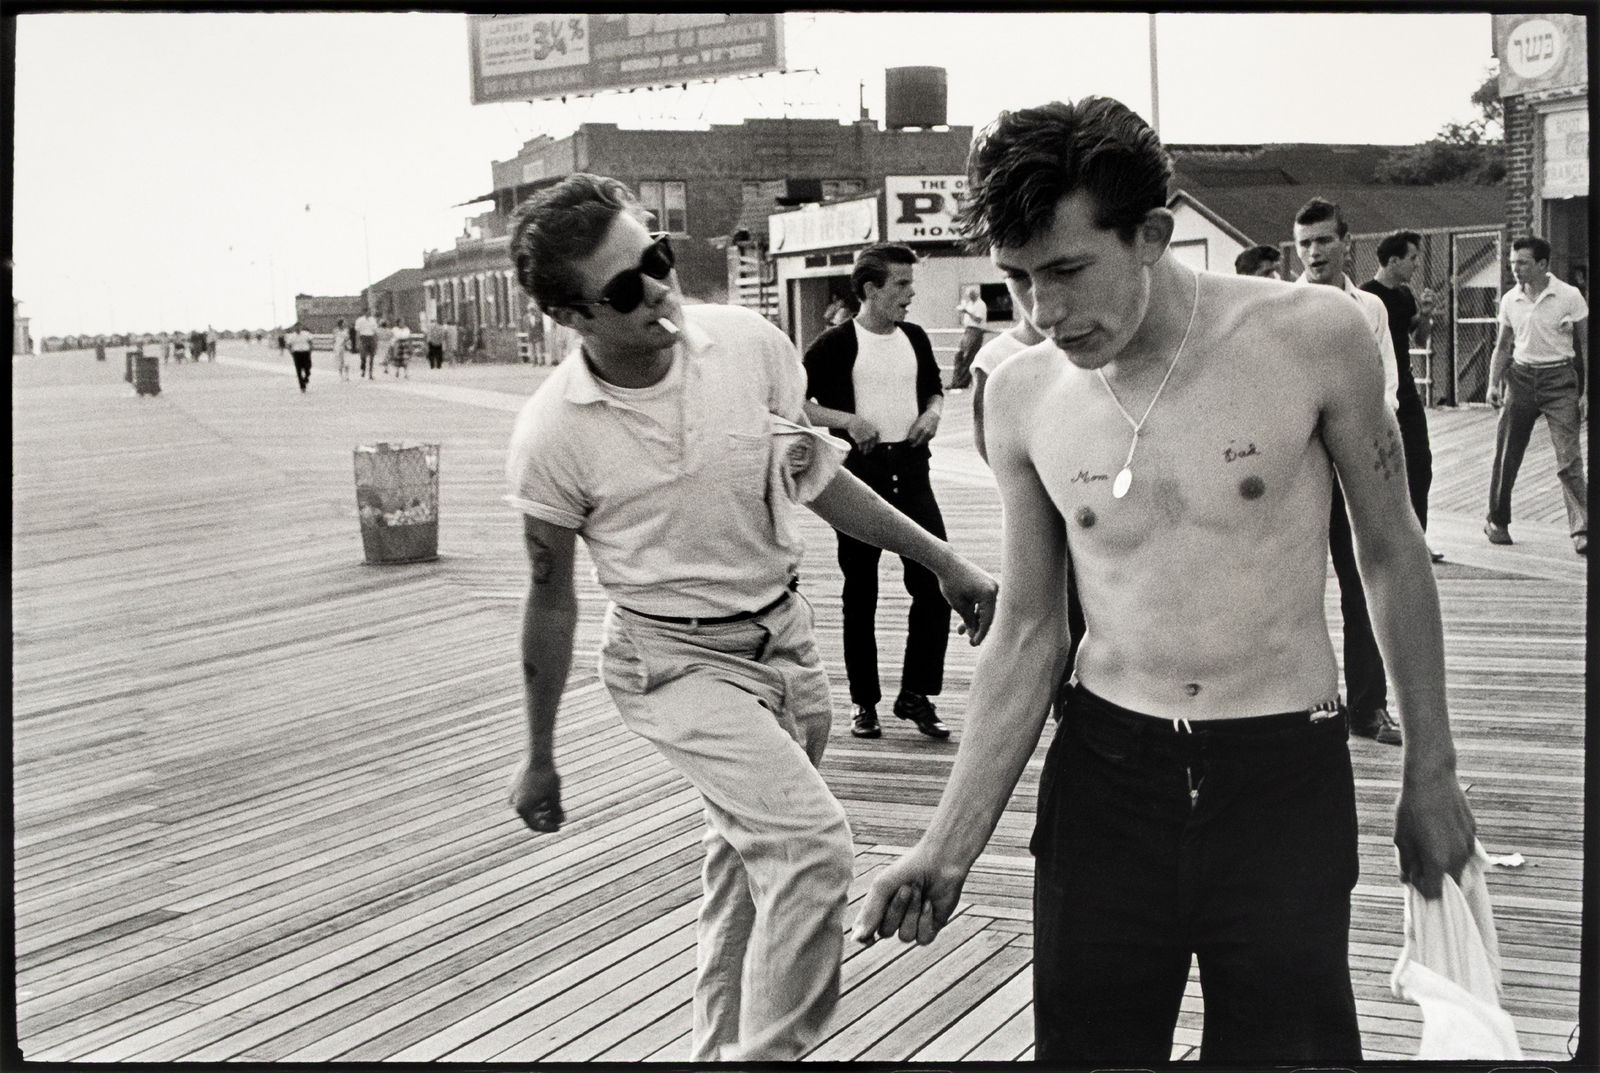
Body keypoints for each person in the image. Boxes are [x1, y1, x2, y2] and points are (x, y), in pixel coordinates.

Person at [853, 98, 1476, 1066]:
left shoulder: (1315, 336)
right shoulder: (1019, 390)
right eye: (1015, 279)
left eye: (1065, 271)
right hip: (1108, 769)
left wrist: (1430, 770)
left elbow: (1390, 550)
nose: (1042, 314)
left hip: (1281, 766)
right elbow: (1027, 628)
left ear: (1152, 233)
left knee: (1287, 1049)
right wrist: (946, 843)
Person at [502, 173, 998, 1062]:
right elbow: (550, 596)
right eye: (624, 288)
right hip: (672, 661)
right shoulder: (554, 433)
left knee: (744, 864)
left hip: (786, 645)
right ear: (574, 317)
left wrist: (947, 562)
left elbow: (815, 478)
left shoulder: (747, 345)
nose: (659, 289)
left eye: (656, 258)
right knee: (811, 847)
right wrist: (538, 756)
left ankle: (715, 1050)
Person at [802, 243, 954, 741]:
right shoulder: (834, 344)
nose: (911, 295)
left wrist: (932, 414)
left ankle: (916, 694)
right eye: (902, 285)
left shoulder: (915, 337)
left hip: (911, 470)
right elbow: (796, 404)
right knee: (860, 591)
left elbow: (935, 388)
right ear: (871, 289)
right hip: (861, 474)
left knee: (935, 580)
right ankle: (863, 702)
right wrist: (846, 419)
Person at [1293, 197, 1403, 746]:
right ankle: (1294, 708)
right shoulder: (1278, 307)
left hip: (1354, 463)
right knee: (1289, 587)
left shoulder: (1370, 310)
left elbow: (1389, 392)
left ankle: (1368, 707)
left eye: (1324, 240)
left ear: (1346, 243)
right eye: (1306, 242)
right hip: (1296, 470)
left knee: (1364, 585)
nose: (1315, 252)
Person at [1485, 236, 1589, 555]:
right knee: (1507, 454)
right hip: (1520, 378)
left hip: (1560, 379)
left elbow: (1586, 346)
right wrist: (1493, 383)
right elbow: (1503, 345)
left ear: (1543, 265)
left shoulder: (1569, 296)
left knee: (1569, 457)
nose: (1515, 269)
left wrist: (1586, 393)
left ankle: (1582, 527)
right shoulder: (1509, 300)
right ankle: (1497, 521)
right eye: (1512, 263)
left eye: (1523, 263)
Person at [1362, 230, 1444, 562]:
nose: (1416, 264)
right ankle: (1380, 542)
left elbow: (1418, 338)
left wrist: (1424, 314)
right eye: (1412, 258)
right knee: (1380, 469)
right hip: (1375, 392)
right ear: (1393, 261)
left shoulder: (1404, 294)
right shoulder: (1367, 298)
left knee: (1420, 464)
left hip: (1406, 390)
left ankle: (1416, 541)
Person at [948, 284, 988, 389]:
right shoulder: (970, 303)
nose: (969, 297)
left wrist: (967, 312)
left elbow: (979, 320)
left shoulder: (981, 305)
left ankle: (962, 383)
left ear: (976, 294)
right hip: (968, 330)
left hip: (975, 330)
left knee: (968, 356)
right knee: (959, 355)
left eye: (971, 295)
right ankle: (955, 381)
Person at [286, 323, 313, 392]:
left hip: (305, 352)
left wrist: (311, 349)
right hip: (297, 353)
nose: (298, 328)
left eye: (299, 327)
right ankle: (302, 386)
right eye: (296, 327)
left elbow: (310, 341)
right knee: (299, 370)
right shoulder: (292, 336)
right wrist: (291, 352)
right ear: (294, 328)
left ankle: (306, 377)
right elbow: (288, 344)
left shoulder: (306, 334)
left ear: (301, 327)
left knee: (308, 367)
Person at [355, 309, 378, 379]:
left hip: (371, 337)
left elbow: (375, 331)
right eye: (367, 312)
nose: (369, 313)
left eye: (370, 312)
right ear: (364, 312)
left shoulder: (373, 320)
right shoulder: (360, 320)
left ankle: (370, 373)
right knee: (363, 355)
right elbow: (358, 332)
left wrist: (376, 341)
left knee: (372, 356)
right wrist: (357, 342)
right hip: (363, 337)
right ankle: (363, 369)